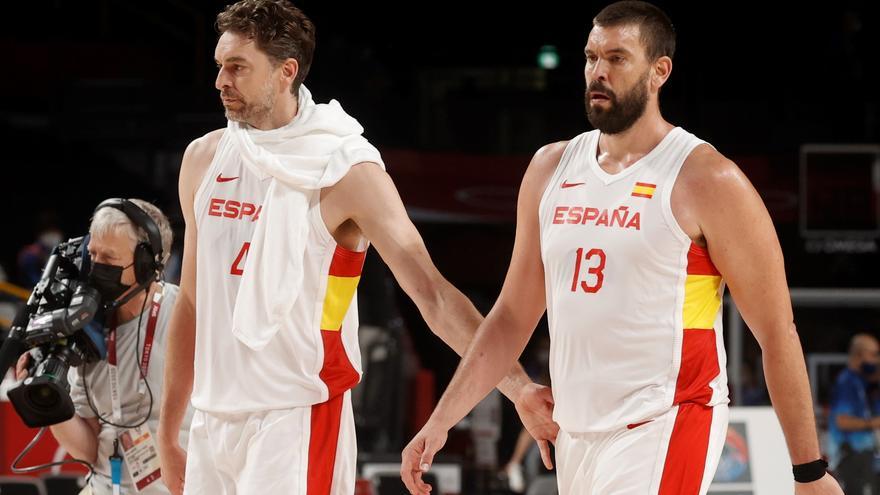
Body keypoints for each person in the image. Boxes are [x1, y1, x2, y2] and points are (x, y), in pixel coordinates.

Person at [400, 2, 844, 494]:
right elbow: (510, 317)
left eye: (617, 58)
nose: (598, 72)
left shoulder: (706, 179)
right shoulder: (551, 167)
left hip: (668, 420)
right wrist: (442, 419)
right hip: (576, 432)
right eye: (591, 57)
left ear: (660, 71)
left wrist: (809, 472)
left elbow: (777, 332)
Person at [156, 1, 555, 494]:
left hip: (296, 415)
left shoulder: (345, 168)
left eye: (237, 67)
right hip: (212, 417)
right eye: (219, 65)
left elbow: (432, 294)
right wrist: (168, 424)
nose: (220, 80)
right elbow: (191, 300)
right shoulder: (204, 158)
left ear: (286, 72)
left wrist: (516, 387)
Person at [15, 198, 191, 494]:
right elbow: (87, 450)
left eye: (108, 259)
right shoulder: (84, 327)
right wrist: (50, 401)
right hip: (105, 486)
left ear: (148, 264)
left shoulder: (186, 318)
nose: (95, 267)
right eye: (92, 255)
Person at [828, 333, 880, 495]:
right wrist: (873, 423)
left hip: (862, 454)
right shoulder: (847, 382)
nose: (877, 360)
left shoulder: (860, 382)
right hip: (851, 454)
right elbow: (842, 421)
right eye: (874, 354)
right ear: (858, 354)